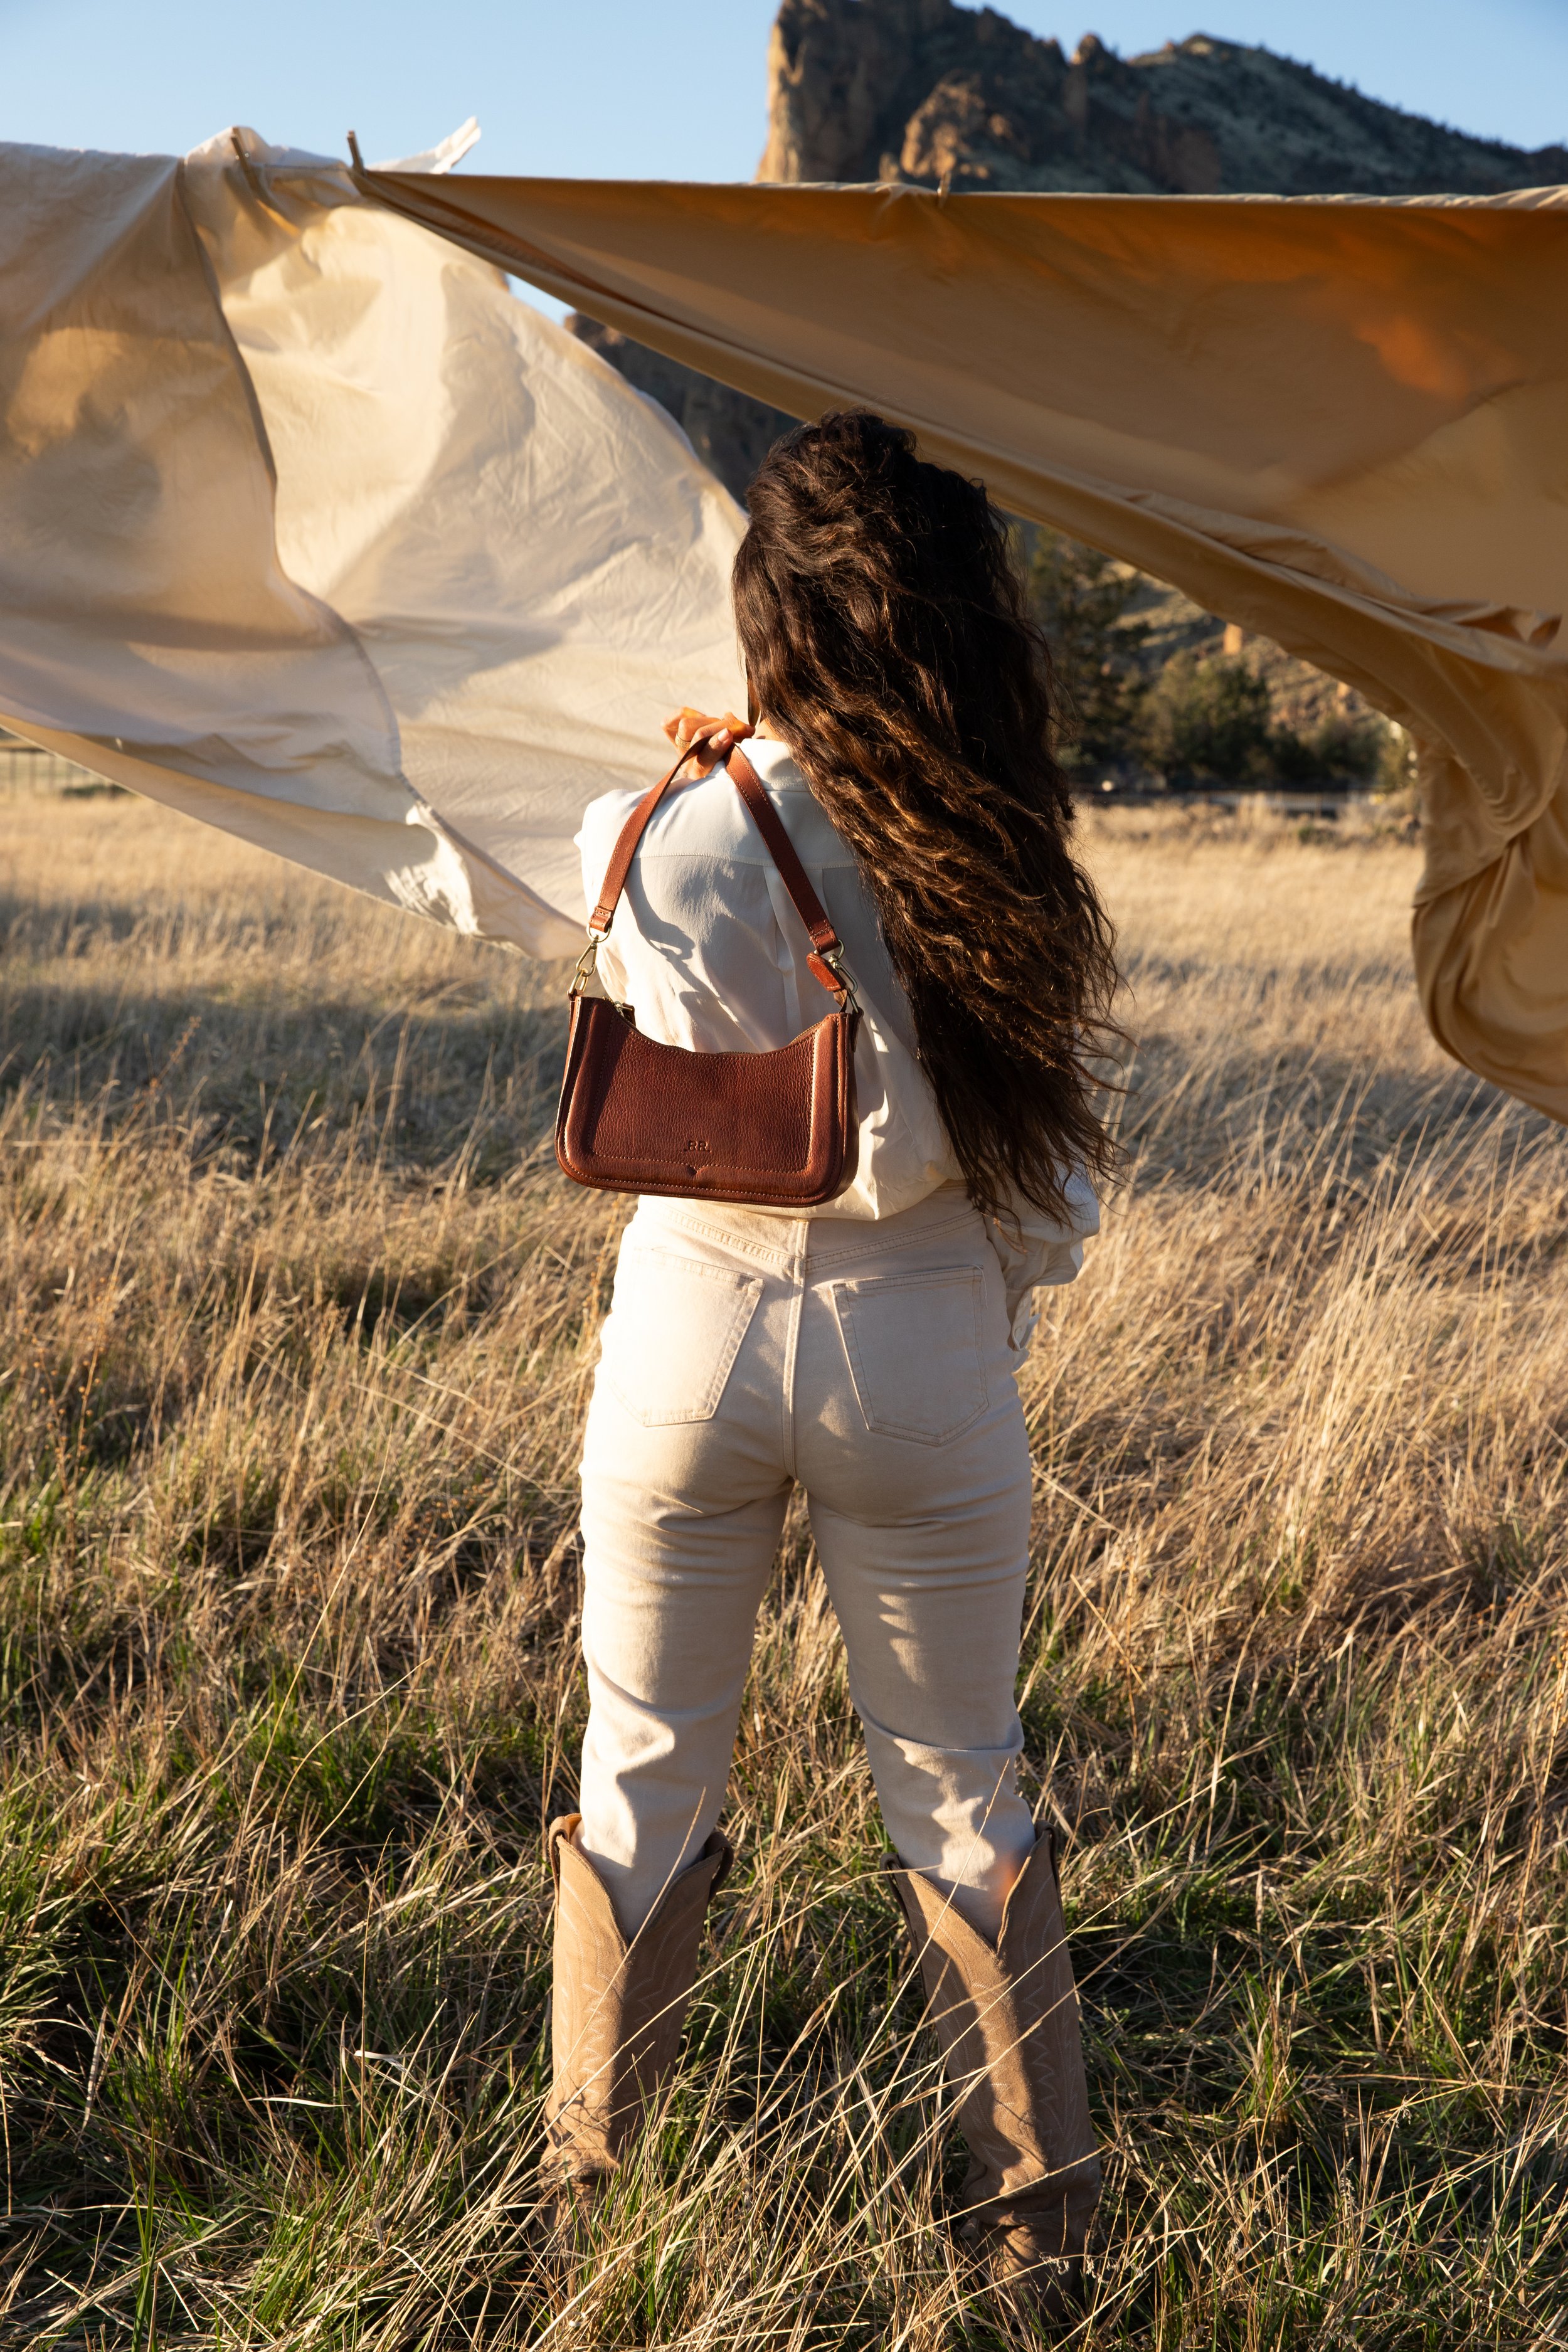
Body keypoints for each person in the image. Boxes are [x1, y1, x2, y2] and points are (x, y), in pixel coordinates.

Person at [540, 410, 1120, 2317]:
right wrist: (980, 1305)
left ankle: (582, 2227)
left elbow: (615, 957)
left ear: (763, 618)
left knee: (639, 1773)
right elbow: (1048, 1195)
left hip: (684, 1323)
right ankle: (1033, 2254)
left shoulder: (644, 832)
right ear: (956, 616)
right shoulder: (996, 840)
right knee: (963, 1783)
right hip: (922, 1327)